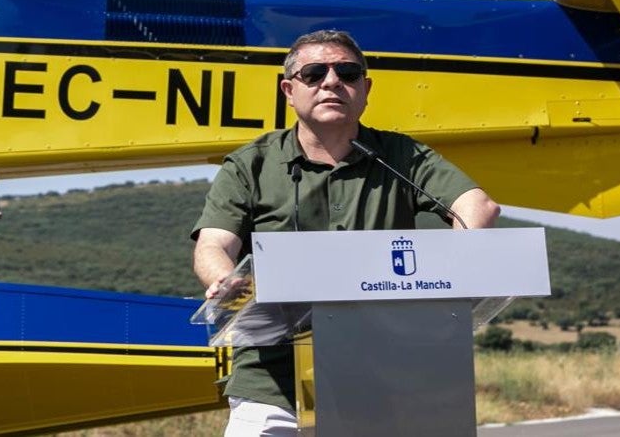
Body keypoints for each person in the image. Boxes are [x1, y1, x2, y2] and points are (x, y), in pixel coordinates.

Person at [191, 29, 500, 436]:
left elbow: (479, 207)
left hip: (382, 381)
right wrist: (223, 279)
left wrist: (454, 269)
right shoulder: (250, 165)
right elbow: (214, 244)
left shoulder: (401, 156)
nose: (332, 82)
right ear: (289, 89)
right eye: (315, 73)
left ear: (365, 88)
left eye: (348, 73)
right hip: (273, 384)